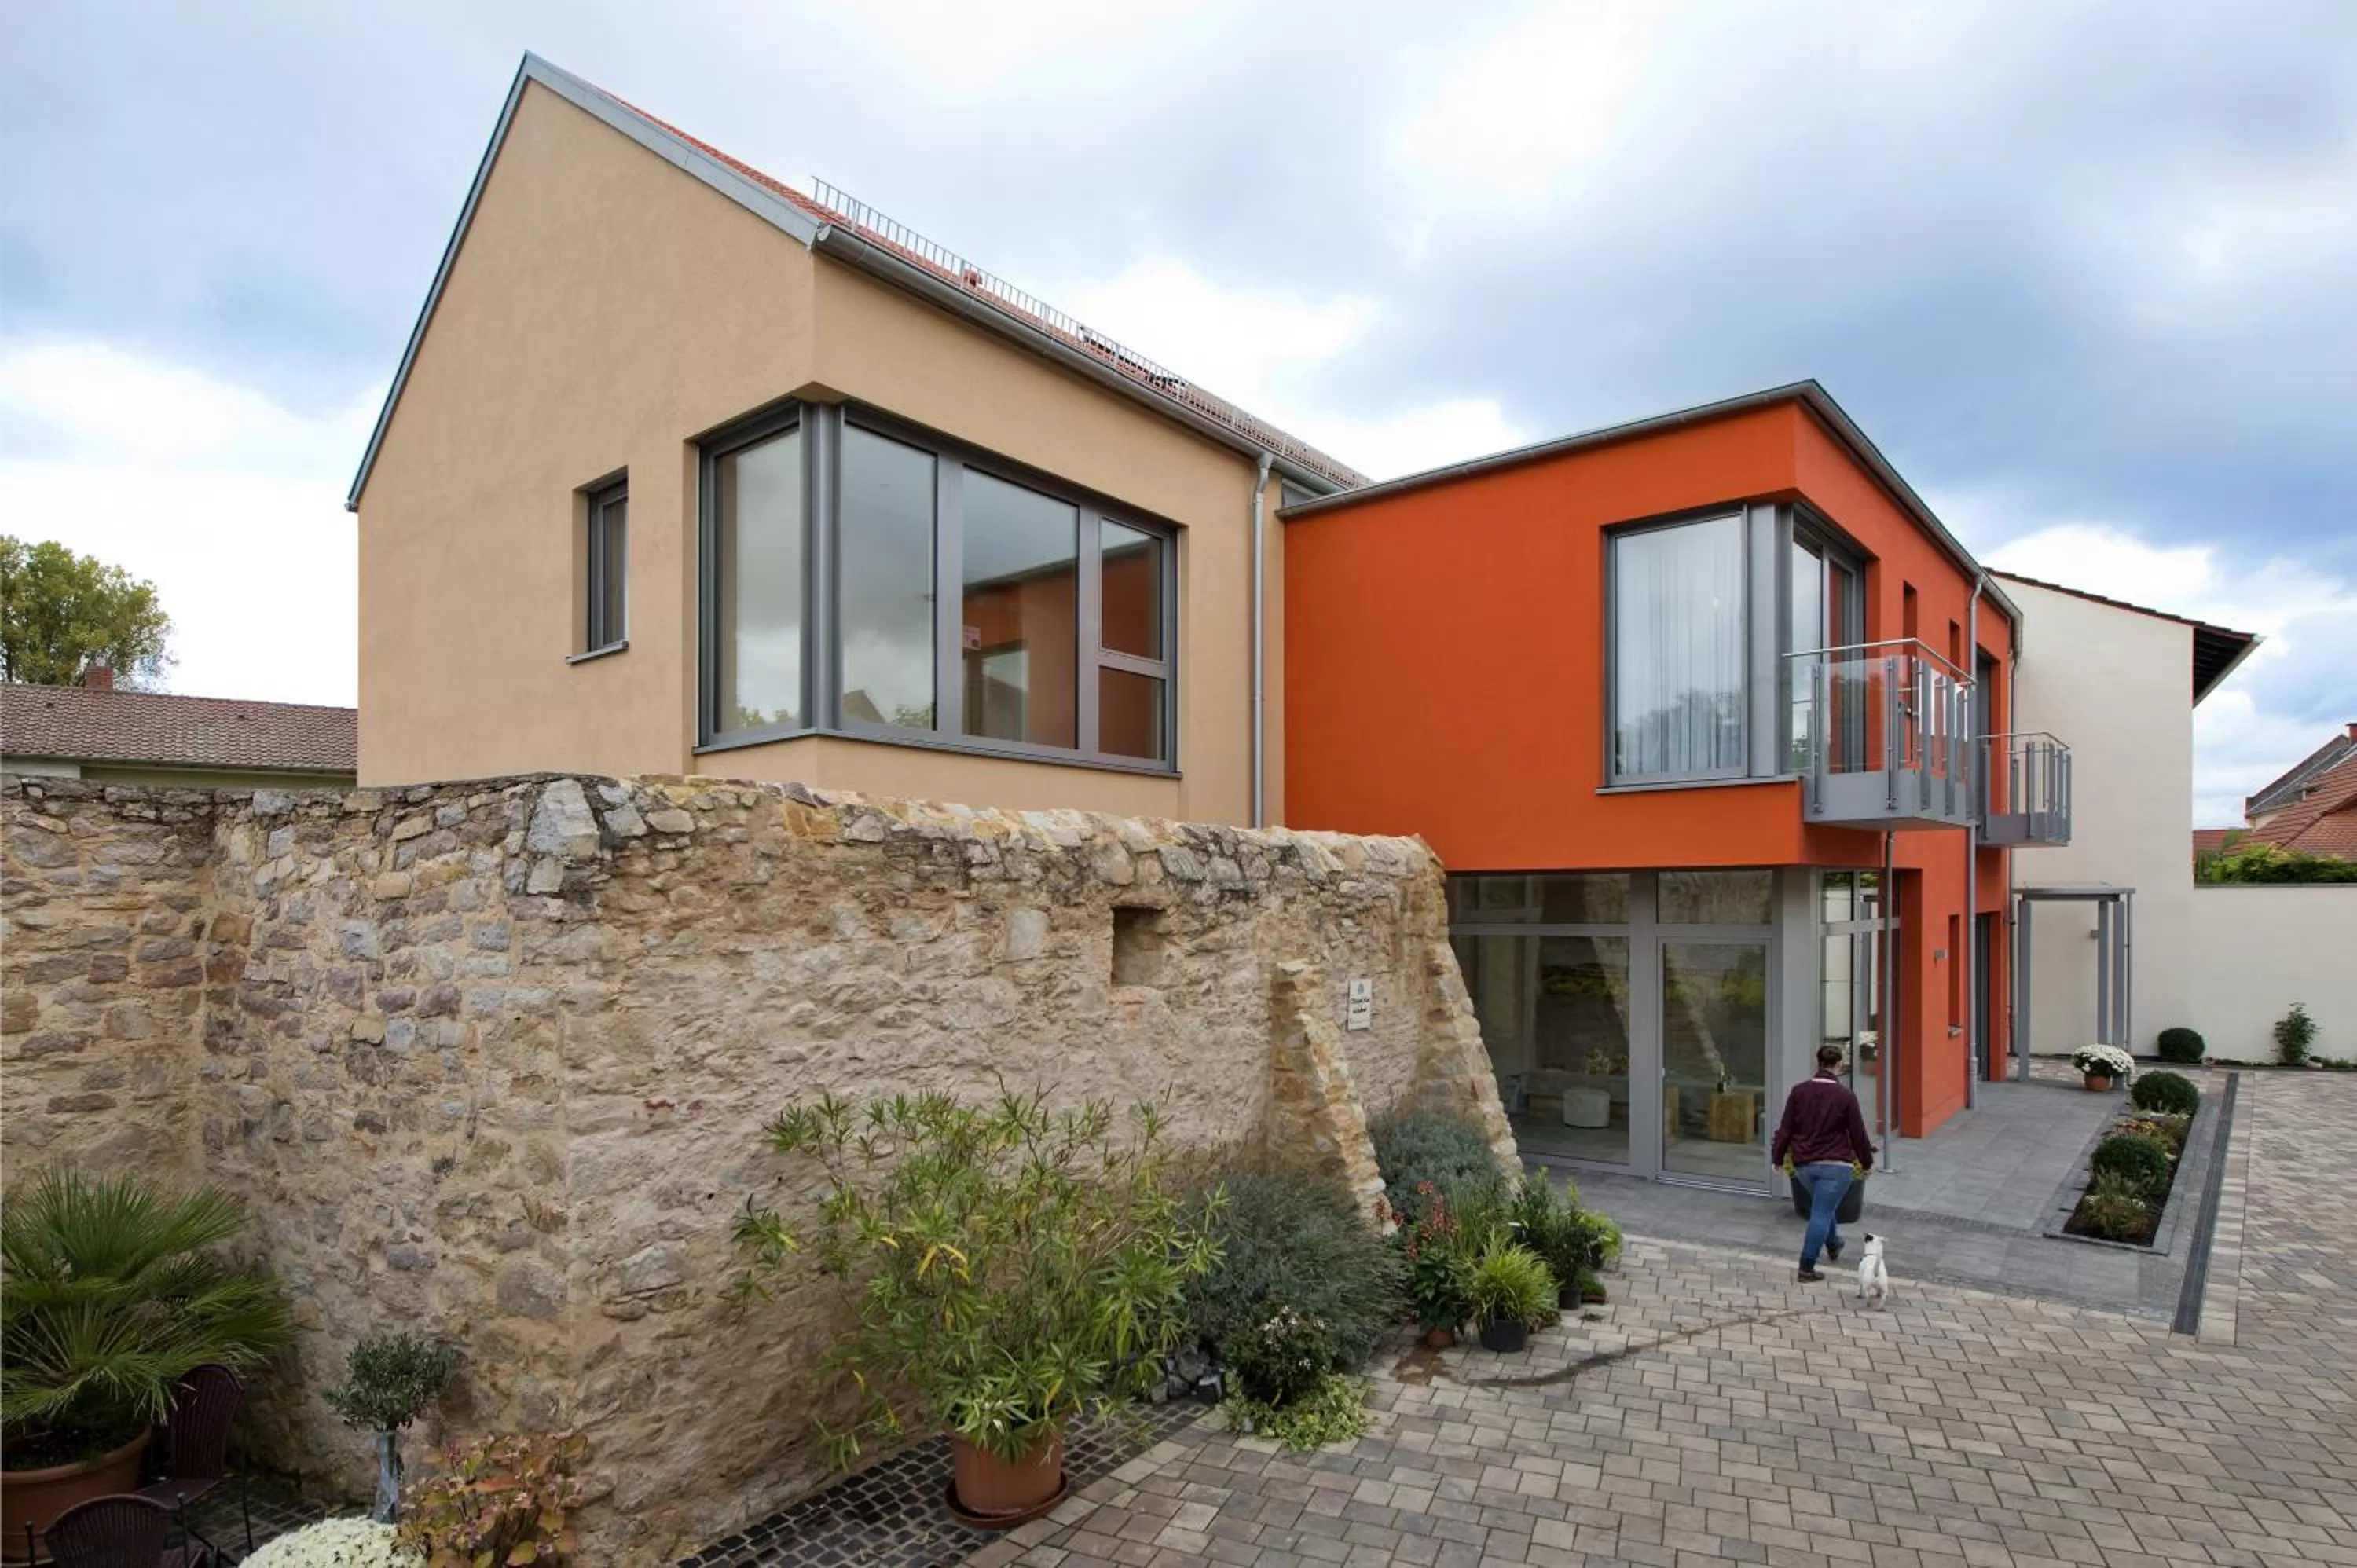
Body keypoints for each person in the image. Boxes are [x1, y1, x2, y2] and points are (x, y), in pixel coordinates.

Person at [1771, 1044, 1877, 1282]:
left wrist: (1777, 1158)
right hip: (1836, 1166)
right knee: (1822, 1211)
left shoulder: (1799, 1091)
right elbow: (1858, 1134)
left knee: (1823, 1207)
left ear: (1817, 1063)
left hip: (1804, 1165)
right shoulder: (1846, 1096)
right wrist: (1867, 1162)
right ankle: (1806, 1266)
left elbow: (1786, 1128)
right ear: (1839, 1065)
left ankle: (1833, 1243)